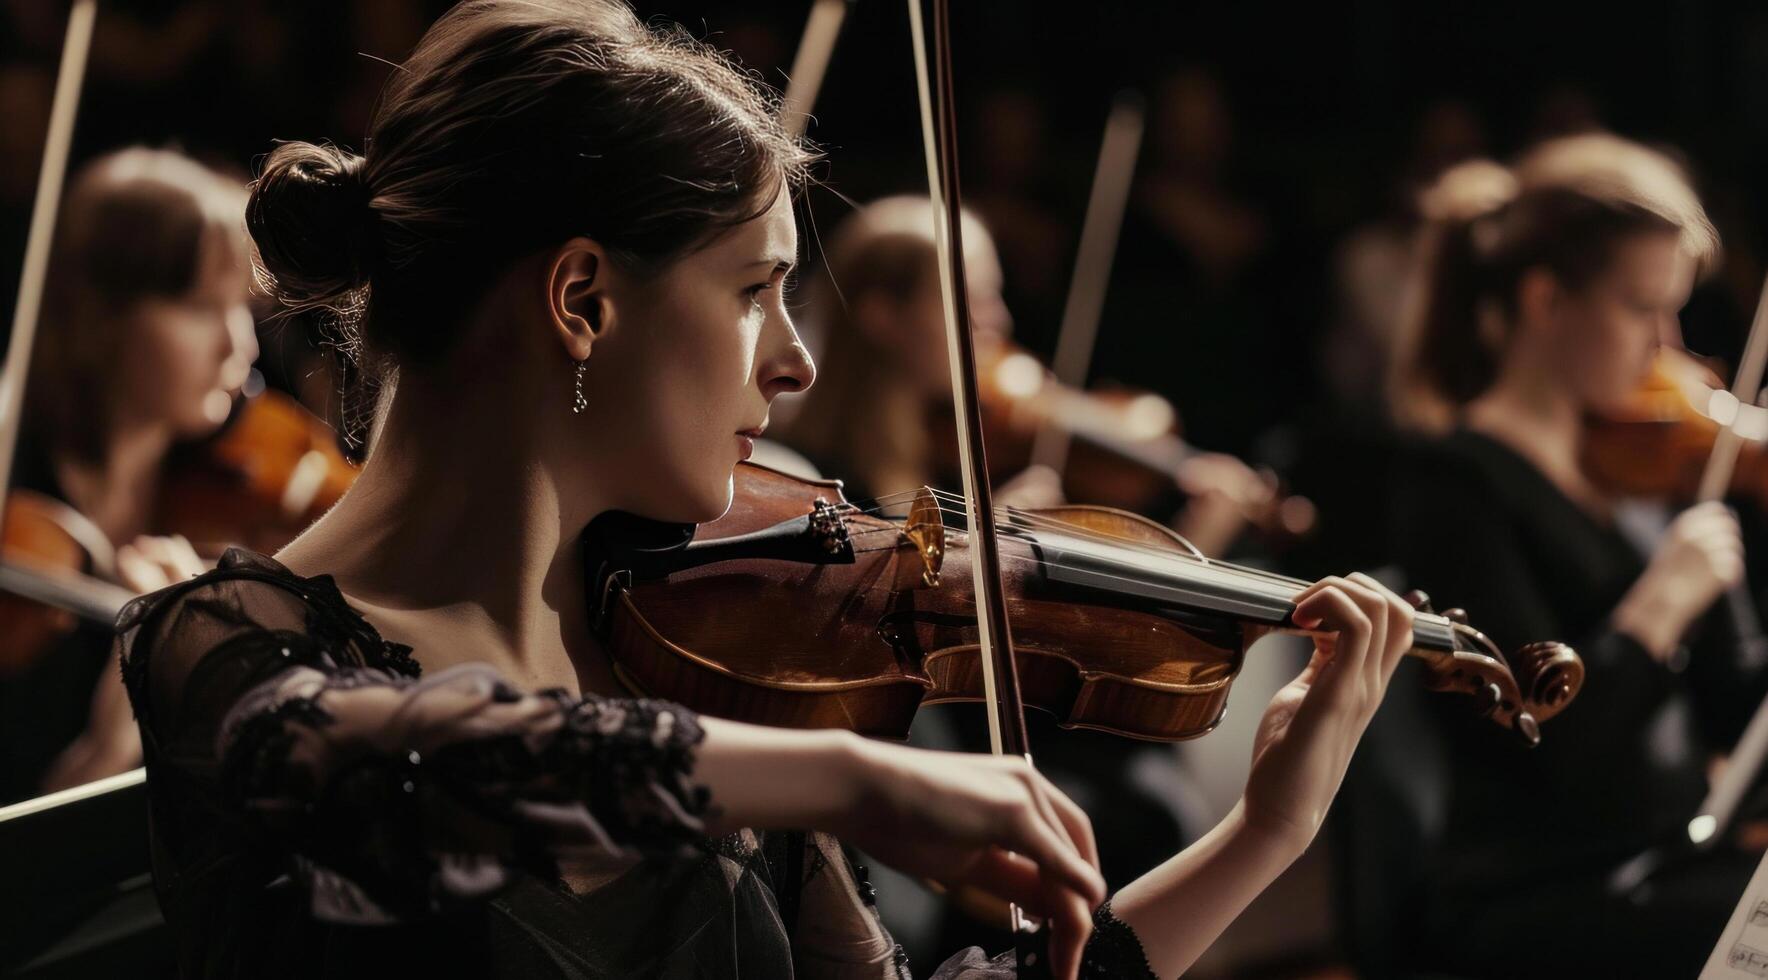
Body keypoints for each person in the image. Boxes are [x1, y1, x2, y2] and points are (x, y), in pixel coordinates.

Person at [119, 3, 1418, 977]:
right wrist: (854, 779)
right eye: (756, 292)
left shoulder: (701, 657)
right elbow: (368, 749)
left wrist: (1265, 834)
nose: (796, 359)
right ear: (582, 300)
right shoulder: (229, 652)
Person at [1386, 133, 1765, 977]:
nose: (1667, 344)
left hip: (1668, 860)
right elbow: (1539, 743)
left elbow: (1738, 708)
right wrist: (1659, 606)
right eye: (1641, 307)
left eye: (1674, 309)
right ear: (1546, 299)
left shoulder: (1650, 464)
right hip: (1535, 893)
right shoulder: (1458, 485)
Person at [780, 194, 1272, 558]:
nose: (998, 322)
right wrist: (984, 541)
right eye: (970, 300)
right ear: (881, 315)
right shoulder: (812, 482)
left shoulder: (958, 470)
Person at [1, 146, 258, 800]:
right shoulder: (12, 484)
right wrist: (112, 745)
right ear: (103, 315)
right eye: (203, 308)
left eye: (244, 310)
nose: (238, 346)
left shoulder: (235, 490)